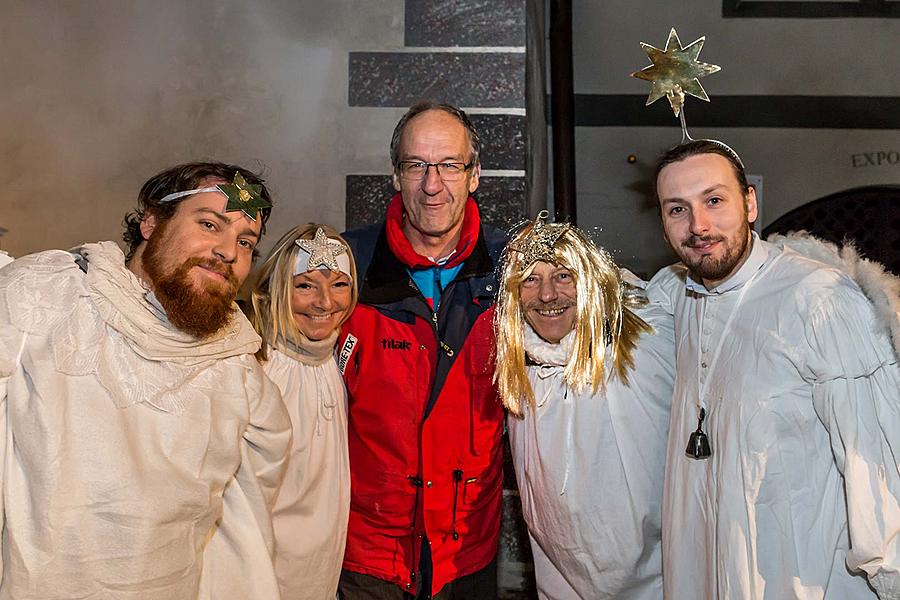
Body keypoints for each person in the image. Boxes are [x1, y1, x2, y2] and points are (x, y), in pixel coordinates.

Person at [0, 162, 291, 599]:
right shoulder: (44, 297)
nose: (229, 251)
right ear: (152, 222)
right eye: (210, 224)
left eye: (245, 241)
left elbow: (242, 533)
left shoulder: (237, 367)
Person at [649, 140, 900, 599]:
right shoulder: (675, 296)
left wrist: (888, 572)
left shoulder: (819, 299)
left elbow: (875, 458)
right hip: (704, 564)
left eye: (714, 200)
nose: (698, 226)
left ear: (749, 203)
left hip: (802, 573)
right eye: (677, 210)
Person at [337, 101, 507, 599]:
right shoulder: (345, 269)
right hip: (368, 554)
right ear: (395, 175)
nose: (433, 185)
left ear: (474, 175)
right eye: (416, 166)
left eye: (450, 166)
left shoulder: (514, 274)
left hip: (467, 552)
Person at [493, 214, 674, 600]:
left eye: (563, 275)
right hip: (562, 581)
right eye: (530, 279)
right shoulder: (521, 368)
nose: (547, 295)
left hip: (654, 583)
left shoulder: (638, 349)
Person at [250, 223, 357, 600]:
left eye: (339, 284)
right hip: (265, 570)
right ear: (281, 288)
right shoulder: (258, 370)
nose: (325, 302)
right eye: (306, 285)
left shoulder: (335, 363)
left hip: (322, 566)